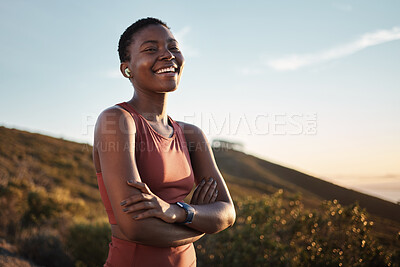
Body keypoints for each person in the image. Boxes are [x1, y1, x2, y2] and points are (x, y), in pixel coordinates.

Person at [92, 17, 236, 267]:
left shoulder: (192, 135)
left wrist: (178, 212)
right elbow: (136, 228)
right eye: (151, 49)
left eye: (173, 47)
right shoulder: (117, 120)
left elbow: (227, 212)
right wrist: (201, 226)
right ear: (127, 69)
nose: (167, 55)